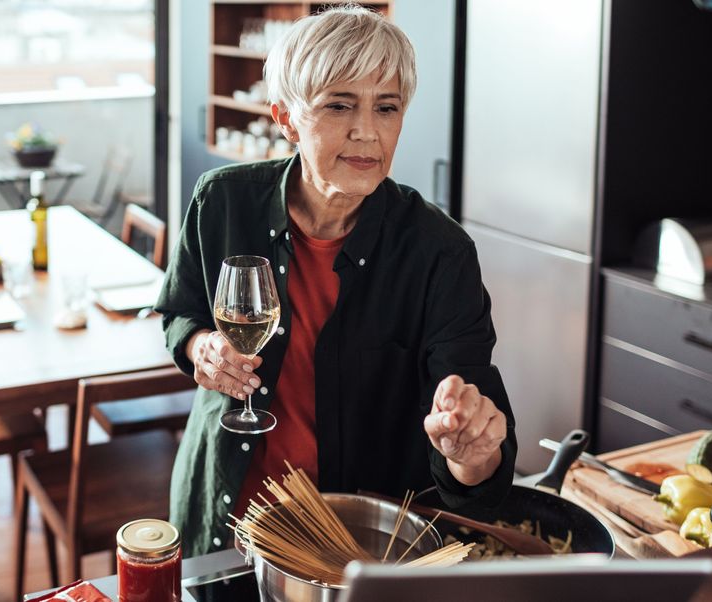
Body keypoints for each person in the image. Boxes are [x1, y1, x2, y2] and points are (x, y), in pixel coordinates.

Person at [154, 6, 517, 558]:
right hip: (225, 510)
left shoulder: (439, 251)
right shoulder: (221, 201)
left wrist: (471, 451)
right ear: (286, 118)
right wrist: (199, 346)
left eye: (386, 107)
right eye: (339, 105)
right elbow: (181, 312)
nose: (366, 131)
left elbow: (472, 435)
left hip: (355, 541)